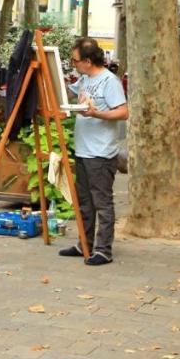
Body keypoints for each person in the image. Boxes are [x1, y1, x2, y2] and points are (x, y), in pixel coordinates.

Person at [60, 37, 128, 266]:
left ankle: (103, 250)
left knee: (102, 203)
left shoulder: (109, 81)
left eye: (75, 60)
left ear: (88, 60)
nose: (74, 64)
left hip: (100, 153)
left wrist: (97, 114)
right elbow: (68, 96)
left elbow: (123, 112)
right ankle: (85, 244)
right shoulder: (84, 78)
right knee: (84, 203)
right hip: (83, 150)